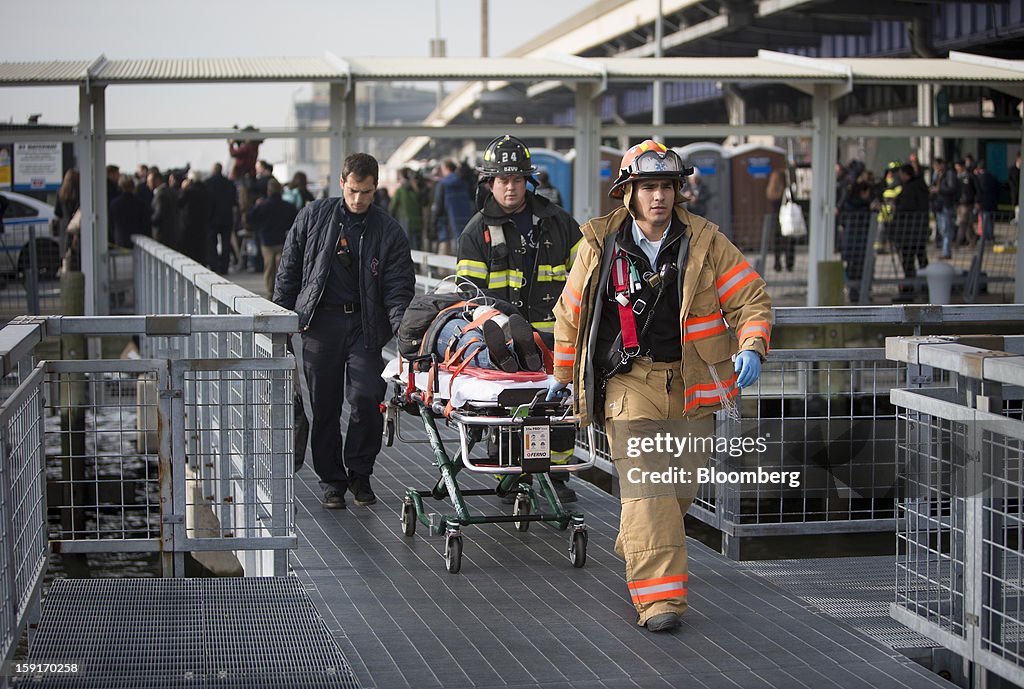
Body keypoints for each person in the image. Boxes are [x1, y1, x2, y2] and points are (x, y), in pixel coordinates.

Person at [550, 140, 771, 633]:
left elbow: (750, 297)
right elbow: (570, 314)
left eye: (667, 187)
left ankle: (639, 537)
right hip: (629, 384)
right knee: (650, 489)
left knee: (677, 492)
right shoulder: (598, 245)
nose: (659, 197)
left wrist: (752, 344)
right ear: (627, 194)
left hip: (692, 385)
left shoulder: (707, 242)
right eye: (648, 187)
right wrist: (565, 380)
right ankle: (660, 601)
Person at [273, 153, 415, 510]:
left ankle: (360, 472)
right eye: (353, 191)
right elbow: (289, 268)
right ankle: (332, 482)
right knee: (324, 405)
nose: (358, 200)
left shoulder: (388, 231)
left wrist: (402, 330)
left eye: (366, 193)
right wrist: (279, 319)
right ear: (341, 184)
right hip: (320, 325)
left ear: (375, 188)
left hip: (365, 327)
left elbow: (399, 287)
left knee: (368, 399)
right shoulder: (313, 216)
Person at [456, 134, 584, 502]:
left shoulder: (559, 223)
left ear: (528, 181)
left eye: (516, 180)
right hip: (505, 346)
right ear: (489, 183)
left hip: (556, 340)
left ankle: (556, 475)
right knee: (509, 409)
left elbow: (584, 279)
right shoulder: (475, 232)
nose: (509, 187)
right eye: (502, 180)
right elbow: (469, 294)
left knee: (557, 408)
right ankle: (512, 476)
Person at [248, 178, 297, 299]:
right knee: (282, 266)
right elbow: (294, 221)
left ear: (268, 191)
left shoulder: (263, 205)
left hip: (267, 241)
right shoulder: (288, 206)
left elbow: (251, 218)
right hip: (282, 240)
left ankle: (270, 291)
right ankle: (280, 289)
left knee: (269, 267)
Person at [892, 163, 930, 294]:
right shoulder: (921, 186)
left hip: (908, 232)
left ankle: (910, 286)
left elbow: (905, 207)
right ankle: (925, 286)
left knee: (908, 260)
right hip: (919, 230)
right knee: (922, 258)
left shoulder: (910, 189)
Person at [431, 159, 473, 255]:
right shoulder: (464, 182)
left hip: (446, 228)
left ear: (446, 168)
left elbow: (438, 207)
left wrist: (433, 224)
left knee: (444, 259)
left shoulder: (442, 184)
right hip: (465, 226)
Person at [206, 162, 238, 273]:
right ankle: (224, 266)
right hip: (226, 217)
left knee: (212, 242)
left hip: (212, 217)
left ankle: (214, 266)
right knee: (226, 244)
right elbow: (234, 201)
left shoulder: (208, 183)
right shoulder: (230, 183)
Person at [178, 170, 214, 264]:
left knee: (189, 252)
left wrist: (182, 189)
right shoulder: (207, 191)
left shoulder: (188, 192)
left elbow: (179, 203)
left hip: (189, 226)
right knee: (201, 251)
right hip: (203, 225)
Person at [109, 174, 151, 249]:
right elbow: (146, 224)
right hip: (138, 241)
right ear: (133, 188)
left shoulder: (114, 204)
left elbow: (111, 224)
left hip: (120, 240)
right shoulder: (140, 204)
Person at [765, 167, 794, 272]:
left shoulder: (773, 188)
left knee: (777, 240)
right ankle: (789, 263)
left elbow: (770, 196)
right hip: (787, 216)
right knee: (789, 240)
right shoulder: (786, 186)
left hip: (776, 216)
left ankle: (777, 263)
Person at [390, 168, 426, 251]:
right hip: (412, 223)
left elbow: (392, 208)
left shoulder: (401, 191)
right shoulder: (403, 191)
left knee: (412, 248)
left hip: (409, 223)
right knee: (415, 248)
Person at [149, 169, 182, 251]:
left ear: (157, 180)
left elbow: (158, 215)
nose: (148, 184)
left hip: (162, 236)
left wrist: (147, 220)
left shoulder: (160, 195)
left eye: (150, 181)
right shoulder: (172, 191)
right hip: (174, 235)